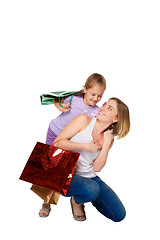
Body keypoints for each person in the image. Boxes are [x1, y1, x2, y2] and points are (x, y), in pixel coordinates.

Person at [39, 73, 106, 217]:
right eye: (93, 94)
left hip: (72, 141)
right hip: (54, 133)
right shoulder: (74, 98)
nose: (95, 99)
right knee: (51, 167)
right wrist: (60, 107)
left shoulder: (96, 111)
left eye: (99, 96)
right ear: (85, 89)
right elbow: (57, 100)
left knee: (68, 169)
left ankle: (77, 202)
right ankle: (47, 201)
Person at [53, 97, 130, 222]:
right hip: (65, 174)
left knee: (119, 215)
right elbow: (57, 143)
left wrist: (107, 143)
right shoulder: (84, 120)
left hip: (90, 177)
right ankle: (77, 202)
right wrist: (85, 146)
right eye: (104, 104)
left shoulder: (108, 138)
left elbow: (97, 168)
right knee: (91, 189)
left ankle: (84, 195)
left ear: (115, 119)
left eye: (109, 108)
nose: (102, 108)